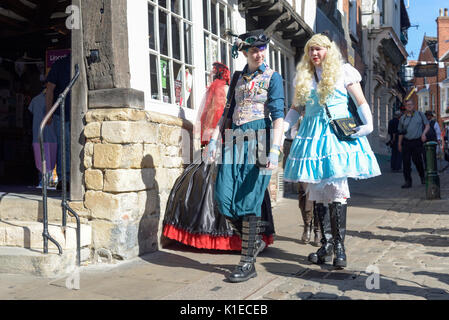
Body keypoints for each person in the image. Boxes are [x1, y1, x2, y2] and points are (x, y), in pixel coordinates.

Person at [283, 33, 381, 269]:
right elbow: (296, 107)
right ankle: (325, 243)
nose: (314, 54)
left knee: (336, 189)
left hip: (336, 134)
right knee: (316, 190)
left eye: (319, 49)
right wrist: (284, 130)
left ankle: (339, 246)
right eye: (311, 50)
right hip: (312, 134)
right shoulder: (304, 77)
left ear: (328, 50)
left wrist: (368, 124)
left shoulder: (344, 71)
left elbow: (360, 100)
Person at [162, 62, 275, 251]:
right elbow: (221, 116)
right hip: (231, 141)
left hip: (236, 139)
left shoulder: (221, 90)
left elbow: (219, 116)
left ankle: (247, 241)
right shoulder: (223, 89)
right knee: (237, 190)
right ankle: (246, 240)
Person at [207, 29, 284, 282]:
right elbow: (228, 112)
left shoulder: (274, 77)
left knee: (249, 199)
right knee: (222, 196)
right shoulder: (239, 77)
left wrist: (275, 149)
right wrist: (215, 141)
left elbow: (278, 116)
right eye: (253, 49)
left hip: (261, 137)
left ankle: (247, 262)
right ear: (244, 52)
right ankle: (255, 242)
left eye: (262, 49)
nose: (258, 53)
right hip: (235, 139)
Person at [45, 54, 71, 191]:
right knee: (64, 146)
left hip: (79, 113)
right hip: (61, 114)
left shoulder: (82, 63)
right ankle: (63, 179)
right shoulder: (60, 64)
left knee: (70, 146)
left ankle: (73, 178)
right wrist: (49, 113)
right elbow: (50, 88)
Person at [28, 87, 57, 188]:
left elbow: (30, 111)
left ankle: (42, 180)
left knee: (40, 158)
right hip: (52, 134)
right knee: (51, 158)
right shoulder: (55, 99)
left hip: (38, 134)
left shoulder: (35, 100)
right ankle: (48, 180)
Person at [397, 99, 429, 188]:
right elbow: (401, 132)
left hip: (417, 141)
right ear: (405, 107)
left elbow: (427, 125)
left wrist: (424, 134)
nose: (409, 106)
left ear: (414, 105)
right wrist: (399, 144)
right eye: (408, 105)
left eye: (411, 104)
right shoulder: (402, 118)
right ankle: (408, 181)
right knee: (406, 163)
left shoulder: (420, 114)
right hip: (406, 142)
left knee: (418, 161)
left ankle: (422, 177)